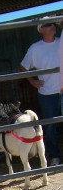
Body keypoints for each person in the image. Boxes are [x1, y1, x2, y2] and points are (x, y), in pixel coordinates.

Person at [20, 19, 61, 166]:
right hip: (47, 93)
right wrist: (32, 81)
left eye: (53, 24)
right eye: (49, 25)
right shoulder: (35, 48)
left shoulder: (61, 41)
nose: (53, 26)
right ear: (41, 29)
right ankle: (55, 156)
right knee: (50, 127)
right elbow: (23, 66)